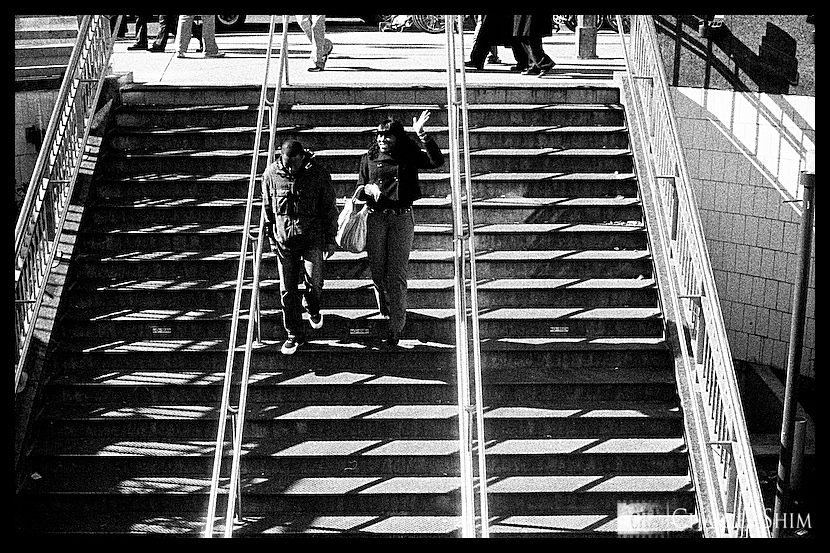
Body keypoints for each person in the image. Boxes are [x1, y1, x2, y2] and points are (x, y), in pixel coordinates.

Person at [355, 110, 444, 347]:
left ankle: (396, 327)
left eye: (387, 136)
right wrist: (367, 190)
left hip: (401, 218)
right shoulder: (369, 157)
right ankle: (385, 304)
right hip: (376, 218)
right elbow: (360, 186)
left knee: (396, 274)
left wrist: (423, 135)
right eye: (379, 136)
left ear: (397, 138)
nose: (382, 140)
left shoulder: (408, 154)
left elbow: (436, 161)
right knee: (377, 271)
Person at [262, 139, 338, 355]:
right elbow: (267, 209)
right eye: (287, 163)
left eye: (295, 163)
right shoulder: (270, 175)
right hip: (284, 241)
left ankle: (313, 307)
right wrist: (270, 238)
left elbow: (329, 208)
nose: (290, 168)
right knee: (287, 290)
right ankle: (294, 334)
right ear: (281, 157)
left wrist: (330, 239)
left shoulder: (318, 174)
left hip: (312, 239)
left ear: (303, 157)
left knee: (315, 283)